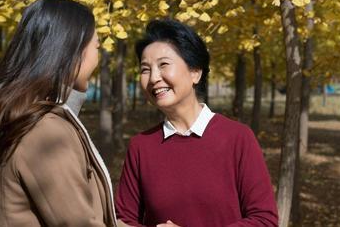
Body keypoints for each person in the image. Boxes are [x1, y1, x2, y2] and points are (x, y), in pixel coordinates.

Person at [0, 0, 126, 226]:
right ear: (72, 51)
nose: (99, 56)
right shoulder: (46, 132)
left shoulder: (33, 120)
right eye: (96, 46)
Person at [115, 19, 278, 227]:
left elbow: (264, 220)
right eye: (145, 69)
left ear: (195, 72)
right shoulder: (141, 146)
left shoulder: (238, 138)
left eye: (164, 65)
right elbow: (124, 220)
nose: (154, 77)